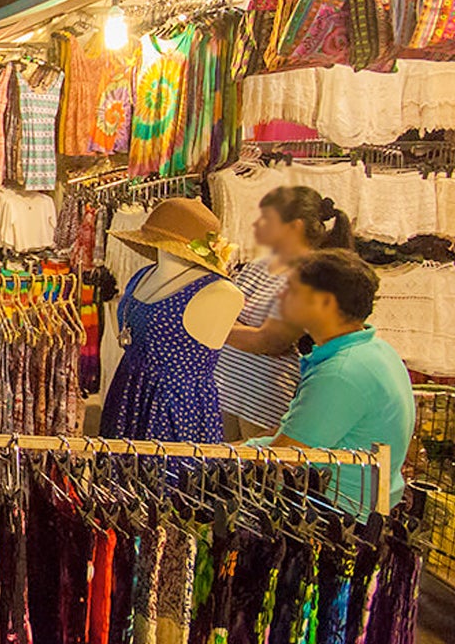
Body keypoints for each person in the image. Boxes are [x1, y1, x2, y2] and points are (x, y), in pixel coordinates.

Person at [255, 249, 413, 520]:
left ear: (325, 302)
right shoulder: (373, 348)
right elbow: (295, 431)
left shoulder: (341, 373)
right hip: (360, 504)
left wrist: (218, 455)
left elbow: (284, 456)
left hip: (338, 517)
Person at [99, 198, 245, 442]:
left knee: (164, 476)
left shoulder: (220, 293)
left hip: (174, 405)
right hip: (127, 391)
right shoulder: (142, 276)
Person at [216, 186, 355, 440]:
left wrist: (220, 326)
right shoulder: (261, 265)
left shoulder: (311, 276)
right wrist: (236, 328)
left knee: (250, 474)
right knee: (218, 468)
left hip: (262, 398)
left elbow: (270, 341)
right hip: (227, 388)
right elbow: (225, 312)